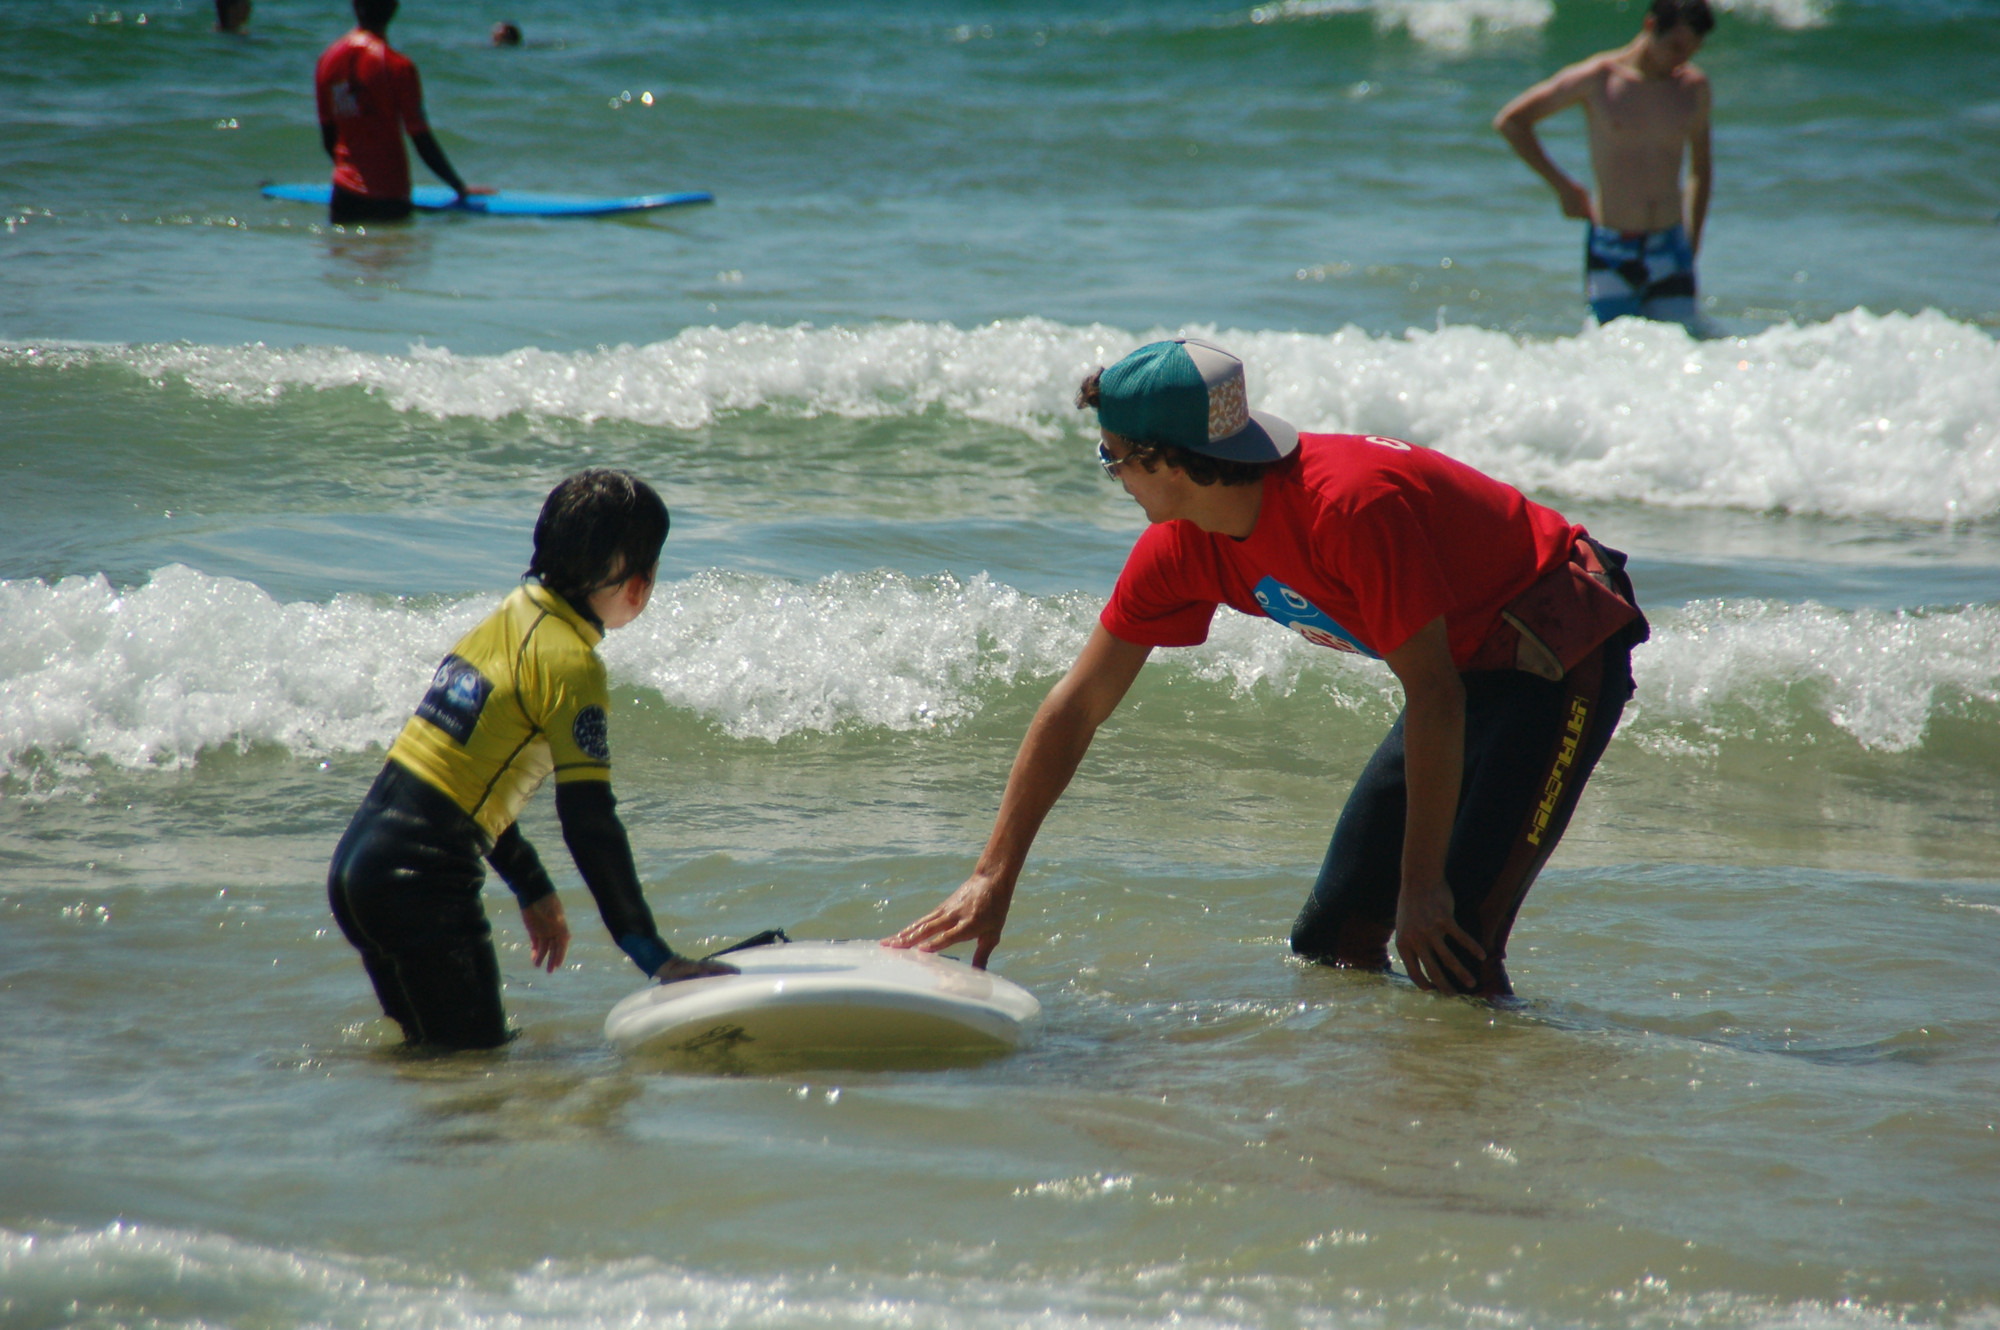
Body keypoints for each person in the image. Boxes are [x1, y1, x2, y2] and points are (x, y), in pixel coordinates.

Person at [888, 339, 1647, 997]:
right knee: (1333, 943)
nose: (1113, 475)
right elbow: (1078, 705)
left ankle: (1494, 1141)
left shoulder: (1347, 510)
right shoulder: (1182, 548)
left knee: (1453, 945)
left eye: (1111, 457)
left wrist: (1421, 889)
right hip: (1458, 667)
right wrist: (993, 876)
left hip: (1556, 642)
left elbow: (1435, 695)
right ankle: (1386, 1117)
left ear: (1166, 461)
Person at [328, 470, 734, 1049]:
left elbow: (456, 782)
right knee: (476, 1076)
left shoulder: (506, 619)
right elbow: (590, 823)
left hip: (360, 870)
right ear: (639, 584)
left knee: (436, 1067)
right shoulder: (571, 662)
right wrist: (653, 954)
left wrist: (532, 886)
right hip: (423, 886)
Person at [1493, 0, 1715, 327]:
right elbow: (1512, 121)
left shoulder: (1692, 88)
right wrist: (1564, 188)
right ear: (1651, 26)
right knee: (1614, 354)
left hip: (1670, 245)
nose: (1681, 59)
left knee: (1683, 357)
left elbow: (1701, 169)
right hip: (1613, 247)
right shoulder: (1598, 78)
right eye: (1676, 47)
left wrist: (1692, 241)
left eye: (1691, 51)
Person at [315, 0, 474, 225]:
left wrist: (352, 176)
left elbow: (328, 138)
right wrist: (459, 186)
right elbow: (420, 138)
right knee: (392, 257)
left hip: (344, 196)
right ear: (394, 8)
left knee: (348, 256)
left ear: (354, 5)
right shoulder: (398, 66)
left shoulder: (327, 60)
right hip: (388, 195)